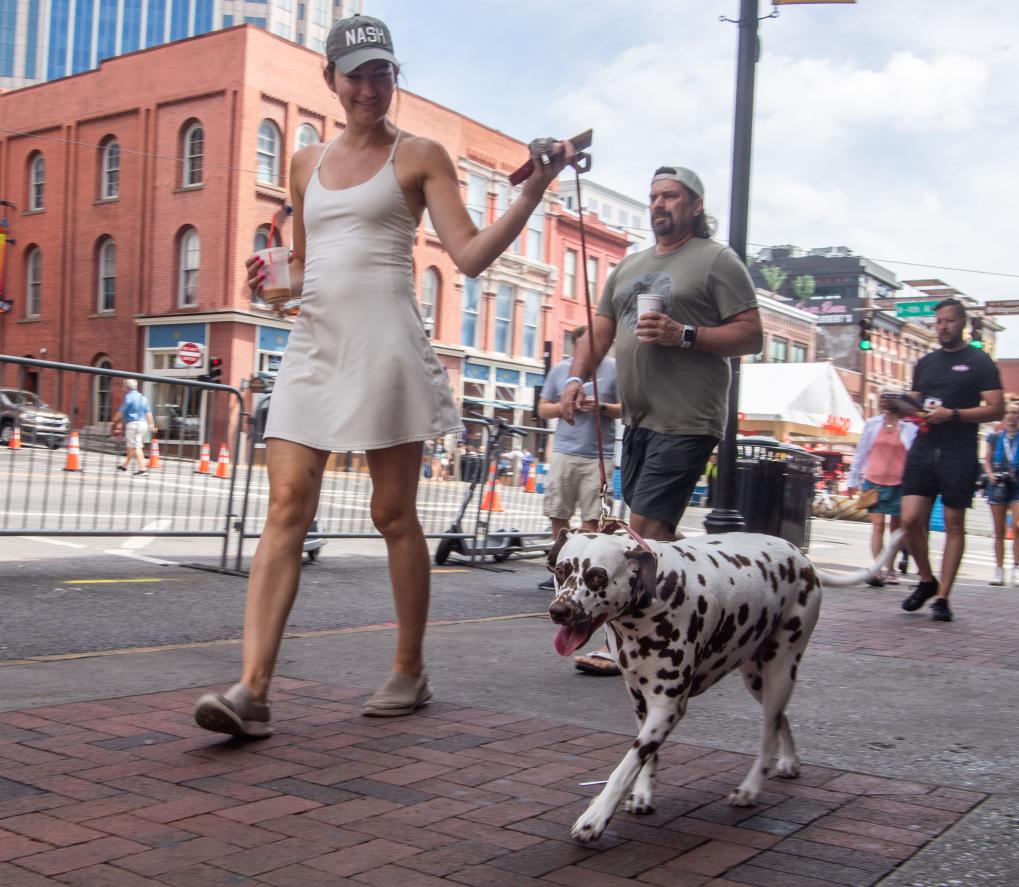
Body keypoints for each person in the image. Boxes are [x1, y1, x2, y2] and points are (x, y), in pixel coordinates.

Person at [193, 14, 576, 739]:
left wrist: (533, 193)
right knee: (285, 508)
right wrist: (272, 287)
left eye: (381, 73)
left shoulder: (421, 154)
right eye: (355, 74)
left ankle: (409, 667)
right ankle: (252, 690)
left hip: (386, 347)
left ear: (394, 76)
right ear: (330, 81)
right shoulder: (305, 163)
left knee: (393, 514)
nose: (369, 87)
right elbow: (303, 268)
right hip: (313, 346)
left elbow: (466, 254)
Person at [559, 166, 763, 541]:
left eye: (669, 196)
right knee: (656, 534)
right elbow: (599, 331)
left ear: (696, 205)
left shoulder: (717, 260)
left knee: (644, 528)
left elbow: (752, 336)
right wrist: (575, 377)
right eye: (653, 197)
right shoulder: (629, 265)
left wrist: (684, 334)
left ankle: (660, 597)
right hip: (639, 420)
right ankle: (708, 585)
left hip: (687, 419)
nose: (658, 204)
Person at [884, 299, 1004, 623]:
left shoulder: (980, 362)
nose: (942, 327)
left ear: (962, 323)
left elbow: (996, 408)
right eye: (938, 322)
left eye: (949, 321)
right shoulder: (926, 363)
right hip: (924, 446)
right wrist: (904, 406)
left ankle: (943, 597)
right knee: (909, 519)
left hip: (959, 450)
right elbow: (917, 401)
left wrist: (953, 414)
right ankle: (926, 579)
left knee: (953, 523)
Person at [537, 327, 620, 590]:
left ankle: (582, 571)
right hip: (564, 450)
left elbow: (626, 408)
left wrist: (600, 407)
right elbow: (542, 408)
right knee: (558, 512)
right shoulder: (560, 370)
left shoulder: (615, 369)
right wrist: (565, 406)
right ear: (575, 346)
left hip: (599, 454)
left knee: (592, 518)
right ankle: (562, 568)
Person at [845, 389, 918, 586]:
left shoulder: (909, 427)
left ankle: (891, 569)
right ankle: (877, 570)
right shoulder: (872, 425)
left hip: (900, 483)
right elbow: (861, 453)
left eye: (890, 398)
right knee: (877, 526)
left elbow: (914, 456)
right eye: (883, 398)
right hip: (873, 481)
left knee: (895, 528)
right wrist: (852, 480)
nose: (886, 402)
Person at [983, 400, 1019, 587]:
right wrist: (990, 475)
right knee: (999, 530)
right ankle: (999, 569)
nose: (1010, 416)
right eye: (1007, 412)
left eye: (1014, 412)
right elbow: (987, 460)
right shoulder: (995, 437)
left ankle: (1017, 567)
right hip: (998, 484)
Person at [111, 379, 154, 476]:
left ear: (126, 387)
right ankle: (125, 466)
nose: (123, 388)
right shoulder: (143, 397)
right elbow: (149, 412)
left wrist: (113, 420)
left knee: (136, 446)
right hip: (143, 424)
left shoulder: (128, 397)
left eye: (123, 386)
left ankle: (143, 469)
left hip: (133, 425)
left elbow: (121, 412)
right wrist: (151, 424)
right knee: (131, 446)